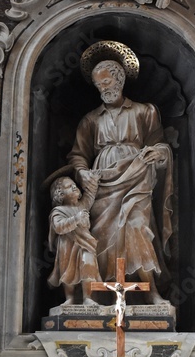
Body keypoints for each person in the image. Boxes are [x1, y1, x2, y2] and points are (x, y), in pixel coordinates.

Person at [68, 56, 173, 301]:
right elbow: (78, 155)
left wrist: (158, 152)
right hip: (102, 182)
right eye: (98, 84)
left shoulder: (145, 111)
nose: (103, 88)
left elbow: (161, 146)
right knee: (100, 234)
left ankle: (151, 292)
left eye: (106, 81)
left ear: (120, 79)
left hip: (137, 176)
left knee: (137, 228)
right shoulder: (91, 119)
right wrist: (83, 172)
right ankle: (96, 295)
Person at [47, 174, 100, 305]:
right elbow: (59, 227)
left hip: (86, 244)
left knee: (88, 266)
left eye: (75, 185)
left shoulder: (82, 206)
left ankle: (88, 297)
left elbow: (90, 196)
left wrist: (94, 182)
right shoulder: (58, 211)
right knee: (67, 272)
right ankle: (69, 298)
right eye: (69, 187)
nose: (74, 187)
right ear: (60, 194)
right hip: (67, 246)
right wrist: (76, 219)